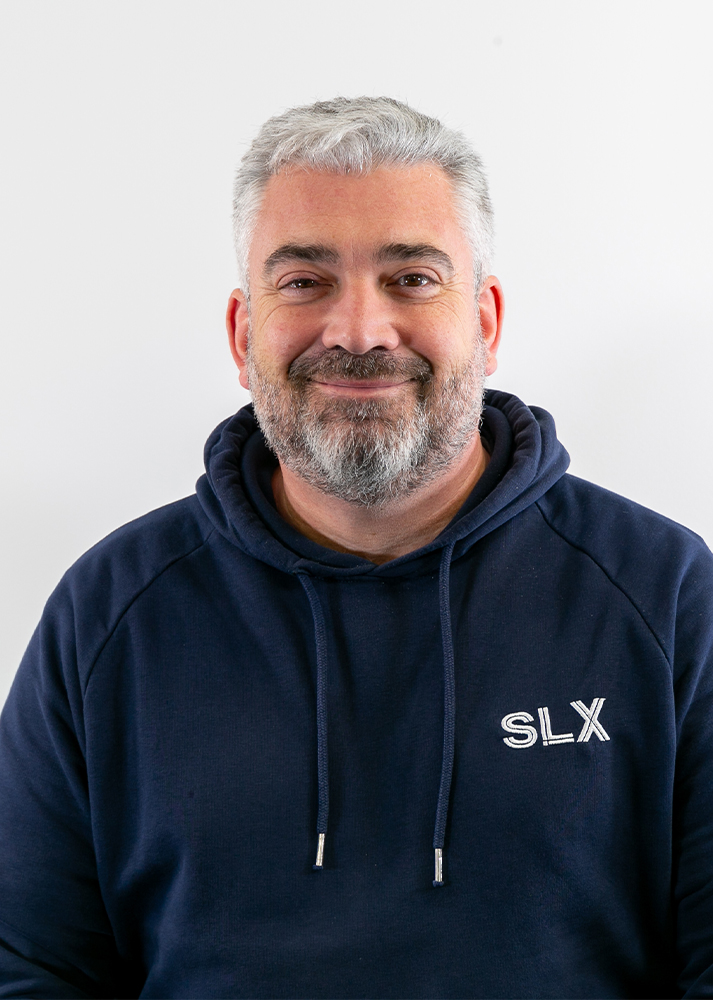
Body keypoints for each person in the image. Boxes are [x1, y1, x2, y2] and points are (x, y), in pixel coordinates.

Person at [0, 96, 711, 1000]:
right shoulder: (107, 613)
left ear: (485, 323)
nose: (359, 331)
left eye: (411, 278)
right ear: (241, 331)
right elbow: (30, 969)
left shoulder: (664, 595)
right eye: (304, 282)